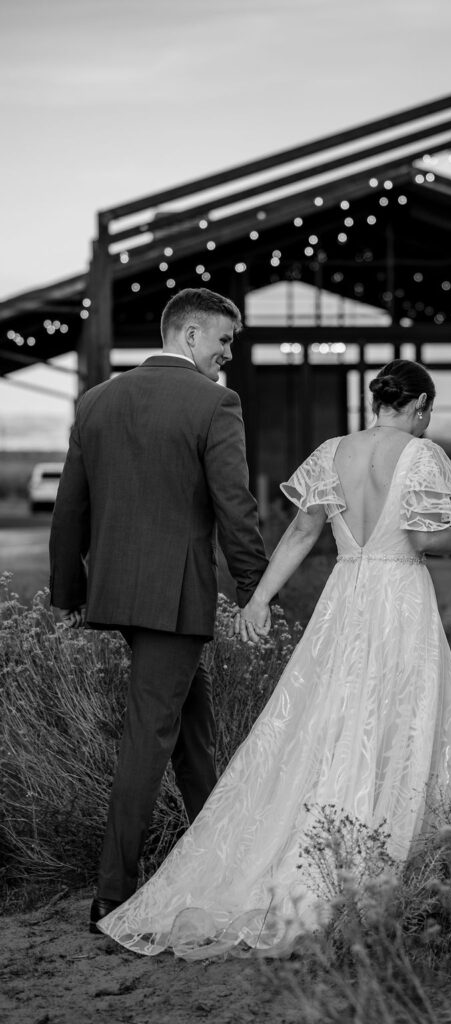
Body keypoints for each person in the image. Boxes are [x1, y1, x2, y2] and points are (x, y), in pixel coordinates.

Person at [97, 359, 451, 959]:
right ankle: (391, 842)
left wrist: (259, 599)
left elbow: (298, 534)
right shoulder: (422, 455)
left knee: (330, 716)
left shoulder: (331, 452)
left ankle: (323, 834)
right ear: (417, 403)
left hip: (346, 599)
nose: (427, 419)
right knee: (402, 713)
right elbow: (423, 537)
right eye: (428, 408)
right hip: (399, 599)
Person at [49, 287, 269, 935]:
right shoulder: (215, 402)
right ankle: (113, 894)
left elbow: (70, 509)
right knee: (150, 739)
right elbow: (236, 508)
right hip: (174, 599)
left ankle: (215, 862)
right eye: (225, 340)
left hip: (121, 594)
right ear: (192, 335)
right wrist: (255, 589)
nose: (229, 353)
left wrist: (68, 592)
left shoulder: (97, 401)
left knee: (191, 737)